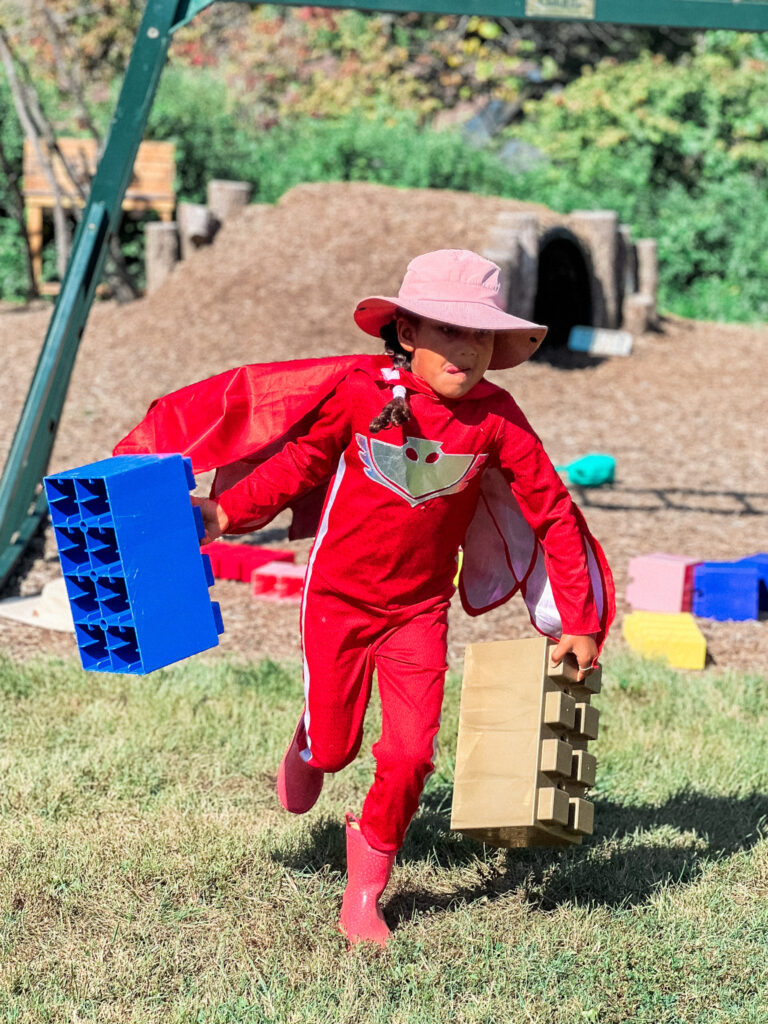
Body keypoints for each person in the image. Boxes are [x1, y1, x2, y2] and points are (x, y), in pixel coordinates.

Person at [115, 249, 614, 947]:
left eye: (479, 336)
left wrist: (581, 621)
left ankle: (365, 891)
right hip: (338, 599)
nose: (464, 350)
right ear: (407, 333)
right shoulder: (361, 390)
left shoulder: (498, 420)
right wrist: (227, 515)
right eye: (446, 330)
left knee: (411, 755)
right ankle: (313, 743)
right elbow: (301, 462)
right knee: (337, 748)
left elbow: (553, 511)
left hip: (418, 612)